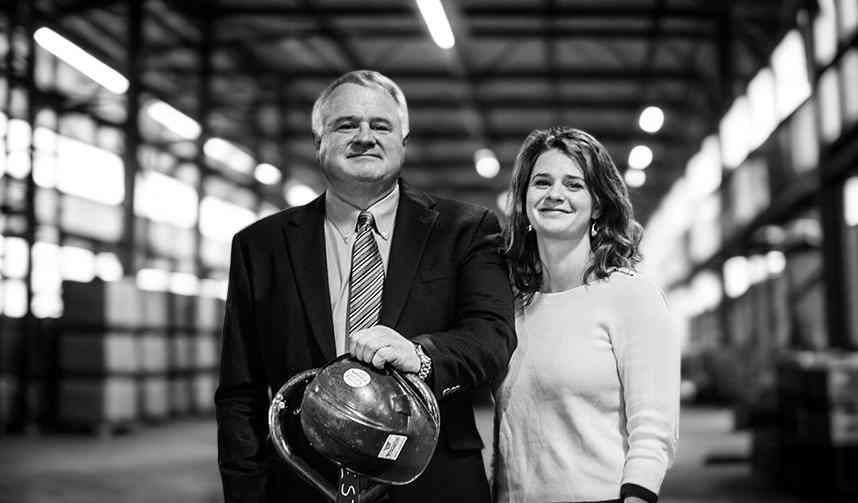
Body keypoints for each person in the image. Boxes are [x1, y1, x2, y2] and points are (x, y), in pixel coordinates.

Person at [215, 69, 516, 503]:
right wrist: (245, 494)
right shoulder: (260, 247)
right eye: (346, 124)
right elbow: (239, 393)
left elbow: (491, 337)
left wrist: (420, 356)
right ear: (319, 141)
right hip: (303, 482)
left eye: (380, 125)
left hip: (431, 483)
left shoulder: (466, 231)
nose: (364, 136)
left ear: (402, 142)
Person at [494, 127, 679, 503]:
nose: (555, 194)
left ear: (597, 205)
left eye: (574, 184)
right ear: (525, 200)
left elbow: (654, 429)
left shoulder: (630, 296)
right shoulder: (512, 303)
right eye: (541, 182)